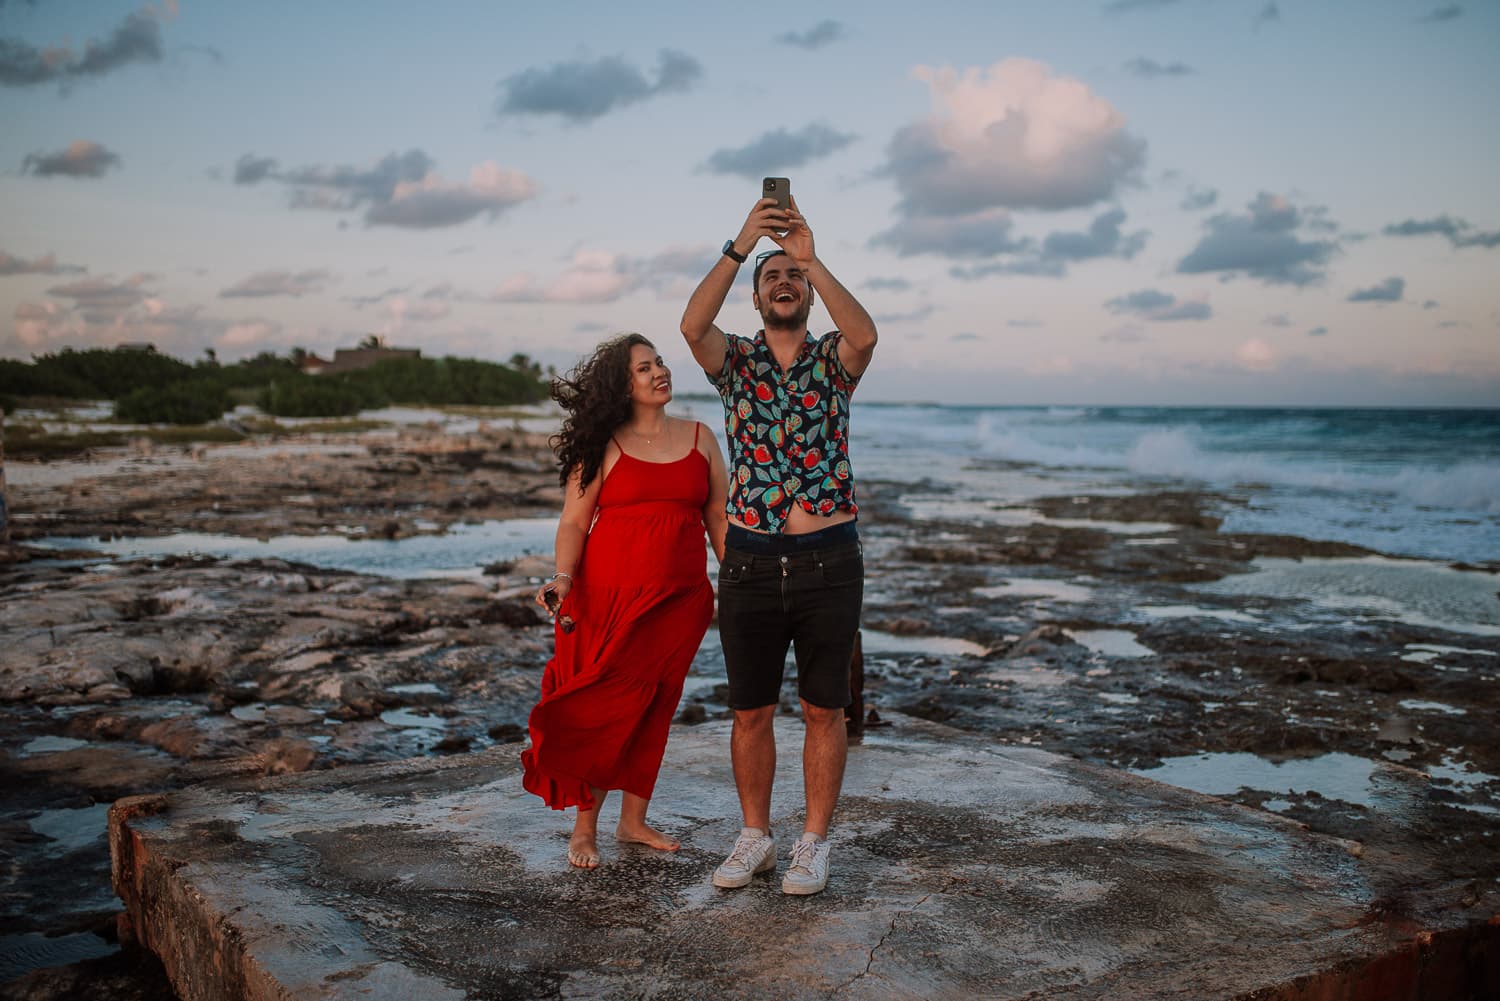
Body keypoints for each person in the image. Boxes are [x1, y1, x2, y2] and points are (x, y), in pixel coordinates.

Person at [680, 193, 877, 895]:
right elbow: (690, 323)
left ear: (806, 294)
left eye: (790, 278)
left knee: (825, 707)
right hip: (752, 559)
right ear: (758, 297)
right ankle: (756, 836)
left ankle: (813, 843)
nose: (783, 283)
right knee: (750, 708)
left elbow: (868, 333)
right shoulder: (732, 361)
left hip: (831, 558)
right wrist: (742, 247)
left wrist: (809, 256)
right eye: (773, 279)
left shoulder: (833, 360)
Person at [521, 333, 728, 869]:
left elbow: (719, 520)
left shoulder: (702, 438)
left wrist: (743, 578)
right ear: (623, 384)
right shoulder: (602, 446)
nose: (659, 371)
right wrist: (563, 577)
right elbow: (573, 519)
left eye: (659, 362)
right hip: (608, 597)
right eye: (644, 368)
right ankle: (584, 828)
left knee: (656, 704)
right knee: (604, 704)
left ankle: (633, 821)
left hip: (680, 601)